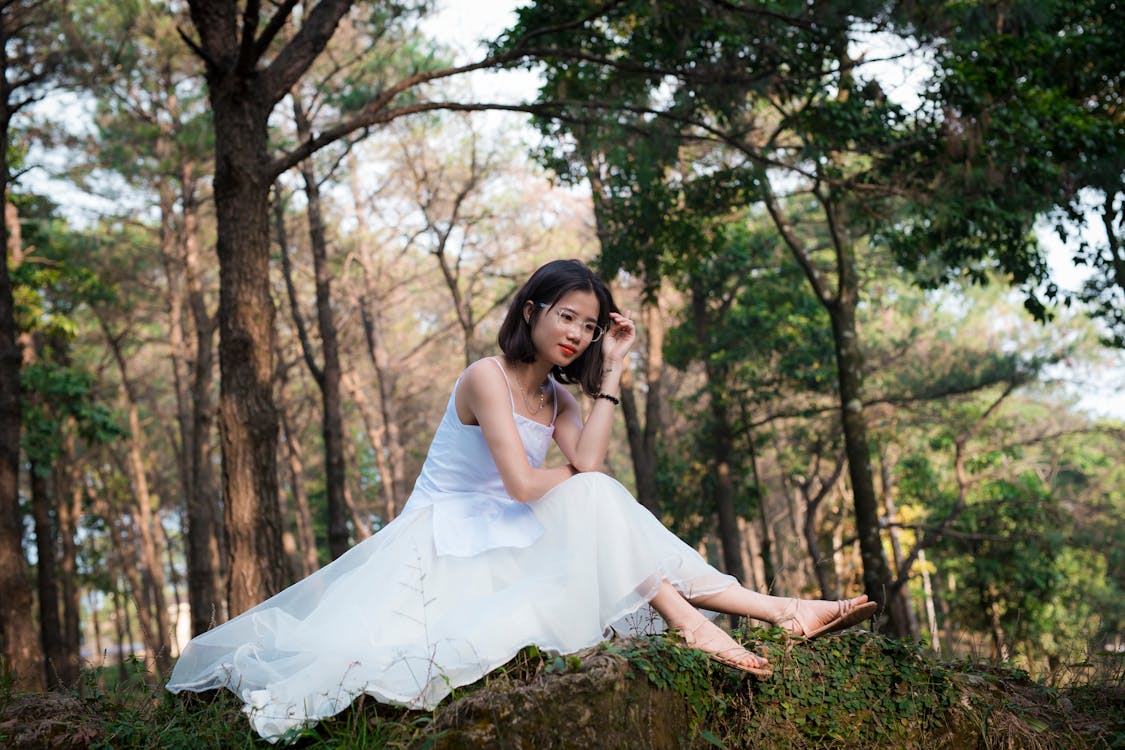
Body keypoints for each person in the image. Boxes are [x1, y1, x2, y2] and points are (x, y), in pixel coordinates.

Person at [166, 259, 876, 741]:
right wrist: (586, 482)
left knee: (599, 495)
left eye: (590, 327)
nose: (576, 335)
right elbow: (527, 485)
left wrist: (616, 370)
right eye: (567, 317)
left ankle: (765, 612)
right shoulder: (485, 376)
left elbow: (589, 458)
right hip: (447, 539)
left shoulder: (560, 392)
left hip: (508, 529)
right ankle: (735, 616)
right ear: (531, 311)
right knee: (596, 497)